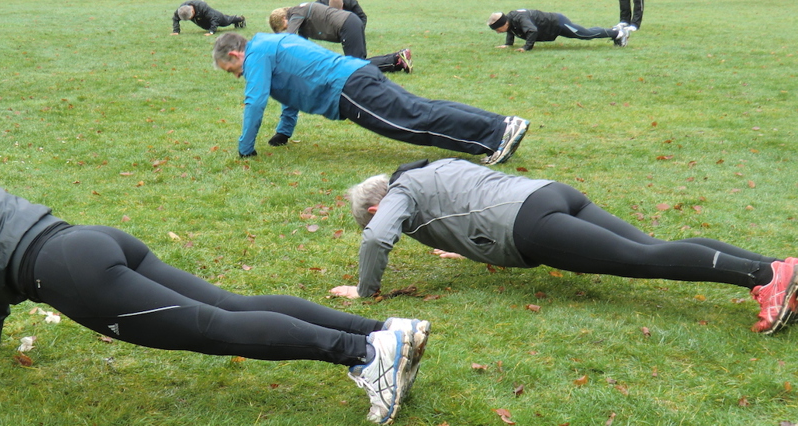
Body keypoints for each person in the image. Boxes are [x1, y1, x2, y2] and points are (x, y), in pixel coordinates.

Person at [0, 165, 431, 424]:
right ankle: (384, 335)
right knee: (232, 306)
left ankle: (364, 357)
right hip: (87, 241)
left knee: (215, 328)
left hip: (72, 275)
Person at [332, 158, 798, 335]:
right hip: (550, 194)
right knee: (657, 245)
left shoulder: (396, 198)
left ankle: (762, 279)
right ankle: (777, 268)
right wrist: (467, 246)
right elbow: (467, 201)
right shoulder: (427, 170)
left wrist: (365, 292)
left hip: (530, 224)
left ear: (377, 205)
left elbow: (377, 237)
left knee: (644, 259)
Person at [212, 32, 529, 163]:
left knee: (414, 122)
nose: (237, 76)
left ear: (236, 54)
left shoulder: (256, 57)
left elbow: (255, 102)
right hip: (356, 75)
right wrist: (283, 132)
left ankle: (496, 136)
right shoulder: (269, 44)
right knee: (423, 109)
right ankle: (501, 125)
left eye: (231, 70)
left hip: (349, 89)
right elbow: (290, 92)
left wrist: (245, 150)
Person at [269, 3, 411, 74]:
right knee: (357, 65)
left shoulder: (296, 13)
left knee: (356, 67)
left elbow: (289, 38)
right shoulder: (299, 15)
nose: (285, 30)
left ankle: (397, 59)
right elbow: (302, 44)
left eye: (283, 27)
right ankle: (397, 60)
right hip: (349, 23)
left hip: (347, 25)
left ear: (283, 18)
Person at [487, 10, 630, 51]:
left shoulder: (519, 18)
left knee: (583, 34)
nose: (498, 32)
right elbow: (511, 30)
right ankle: (615, 31)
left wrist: (526, 47)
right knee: (584, 33)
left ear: (504, 22)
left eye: (498, 29)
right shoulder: (510, 22)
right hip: (552, 27)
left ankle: (619, 33)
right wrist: (508, 44)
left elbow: (532, 31)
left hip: (557, 23)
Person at [171, 0, 245, 36]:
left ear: (193, 11)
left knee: (226, 21)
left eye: (190, 18)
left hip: (215, 16)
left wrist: (211, 32)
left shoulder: (202, 7)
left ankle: (240, 19)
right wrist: (176, 31)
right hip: (202, 20)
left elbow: (214, 18)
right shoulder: (182, 9)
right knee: (206, 26)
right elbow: (175, 18)